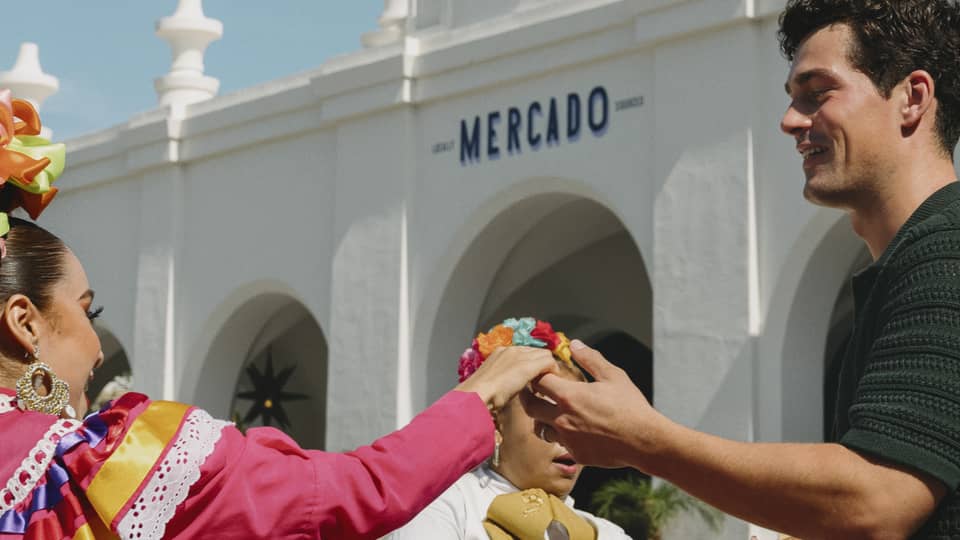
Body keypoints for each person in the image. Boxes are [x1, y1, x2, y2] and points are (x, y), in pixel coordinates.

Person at [0, 94, 560, 539]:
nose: (99, 347)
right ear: (25, 322)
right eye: (88, 310)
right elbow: (354, 493)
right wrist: (479, 395)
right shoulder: (101, 467)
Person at [521, 1, 960, 538]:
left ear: (913, 98)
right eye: (793, 98)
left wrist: (645, 440)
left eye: (818, 93)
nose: (790, 120)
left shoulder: (945, 250)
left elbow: (876, 502)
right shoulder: (915, 258)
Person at [386, 318, 630, 540]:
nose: (566, 435)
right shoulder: (442, 507)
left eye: (577, 422)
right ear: (496, 423)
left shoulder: (607, 534)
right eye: (548, 419)